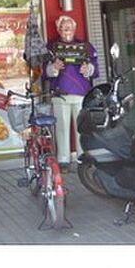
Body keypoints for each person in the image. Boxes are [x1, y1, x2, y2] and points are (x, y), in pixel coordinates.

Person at [45, 15, 98, 169]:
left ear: (74, 29)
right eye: (63, 28)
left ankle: (83, 157)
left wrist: (88, 69)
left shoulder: (85, 46)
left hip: (81, 93)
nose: (66, 30)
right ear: (58, 29)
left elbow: (95, 66)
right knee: (61, 127)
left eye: (69, 27)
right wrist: (53, 68)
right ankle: (63, 159)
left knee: (81, 128)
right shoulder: (51, 47)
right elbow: (43, 70)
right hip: (60, 93)